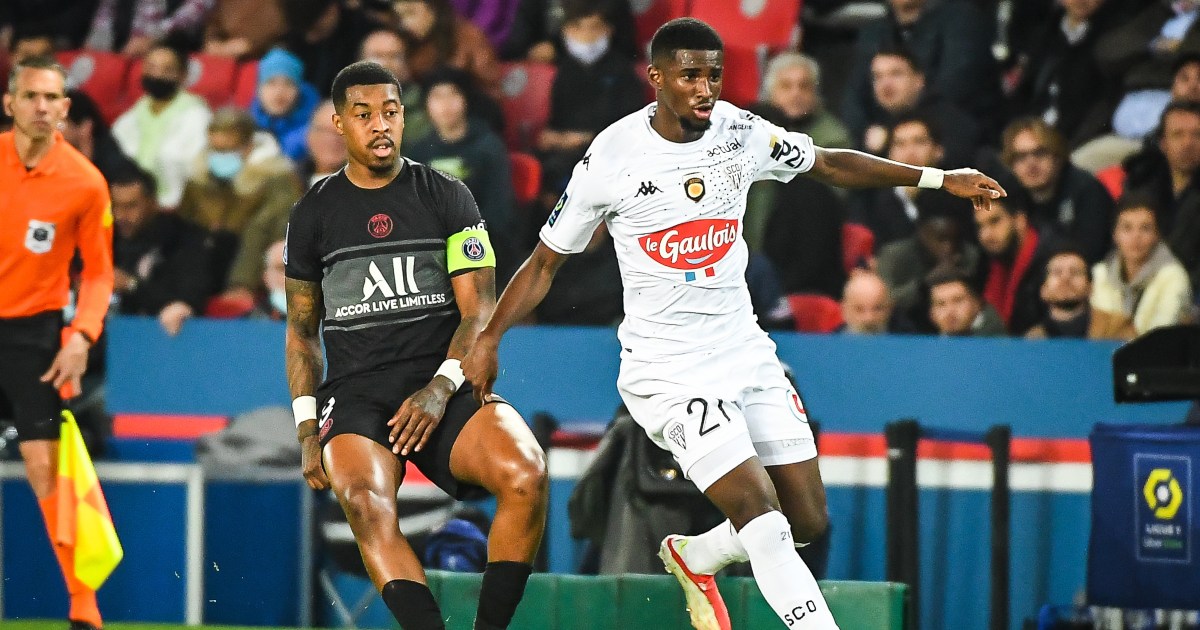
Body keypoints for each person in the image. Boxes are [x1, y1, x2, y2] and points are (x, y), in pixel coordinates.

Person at [461, 18, 1004, 630]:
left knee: (807, 522)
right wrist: (488, 338)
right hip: (667, 371)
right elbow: (543, 262)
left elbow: (828, 162)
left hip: (745, 351)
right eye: (690, 75)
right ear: (657, 78)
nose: (705, 88)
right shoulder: (611, 157)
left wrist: (938, 177)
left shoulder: (740, 133)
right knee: (766, 523)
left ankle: (697, 558)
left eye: (714, 74)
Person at [283, 61, 548, 630]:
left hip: (443, 380)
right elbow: (302, 332)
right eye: (364, 114)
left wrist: (439, 387)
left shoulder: (449, 196)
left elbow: (479, 311)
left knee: (527, 475)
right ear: (339, 123)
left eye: (392, 112)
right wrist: (308, 430)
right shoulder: (312, 213)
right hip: (356, 393)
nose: (381, 126)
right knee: (362, 502)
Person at [0, 56, 114, 630]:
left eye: (52, 98)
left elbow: (98, 273)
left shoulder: (85, 183)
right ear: (10, 103)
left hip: (35, 335)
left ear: (66, 109)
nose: (42, 107)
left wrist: (81, 336)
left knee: (46, 468)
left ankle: (82, 606)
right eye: (31, 96)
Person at [109, 167, 214, 335]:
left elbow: (187, 298)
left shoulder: (183, 239)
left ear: (153, 203)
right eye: (115, 206)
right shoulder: (109, 239)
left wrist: (131, 285)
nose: (121, 215)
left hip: (163, 339)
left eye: (131, 206)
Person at [111, 39, 212, 209]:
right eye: (151, 67)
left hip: (171, 205)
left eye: (167, 70)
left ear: (183, 75)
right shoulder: (134, 113)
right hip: (125, 201)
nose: (157, 75)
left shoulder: (197, 115)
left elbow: (193, 171)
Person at [1091, 196, 1194, 334]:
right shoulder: (1101, 273)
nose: (1136, 236)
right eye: (1127, 228)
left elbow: (1161, 336)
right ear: (1115, 234)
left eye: (1145, 228)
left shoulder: (1173, 276)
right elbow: (1101, 332)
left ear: (1157, 235)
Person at [1025, 246, 1137, 340]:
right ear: (1043, 290)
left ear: (1090, 287)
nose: (1066, 278)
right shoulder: (1033, 339)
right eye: (1057, 272)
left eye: (1075, 272)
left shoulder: (1117, 327)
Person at [927, 266, 1006, 337]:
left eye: (958, 301)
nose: (950, 311)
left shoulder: (994, 339)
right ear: (932, 314)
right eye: (941, 304)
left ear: (976, 304)